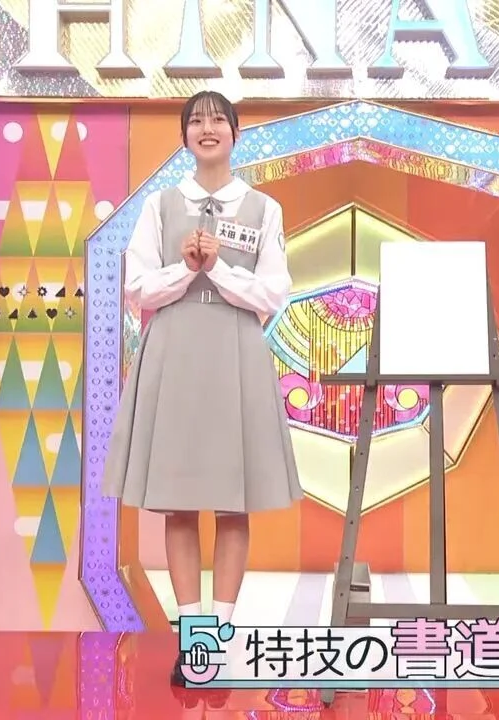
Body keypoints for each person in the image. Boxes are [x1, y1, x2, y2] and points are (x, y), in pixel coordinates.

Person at [102, 91, 303, 686]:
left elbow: (273, 293)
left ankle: (222, 636)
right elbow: (137, 287)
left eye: (218, 120)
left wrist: (217, 268)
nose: (207, 128)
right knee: (180, 500)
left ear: (236, 133)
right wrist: (186, 269)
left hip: (236, 351)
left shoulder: (263, 208)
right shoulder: (161, 204)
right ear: (185, 136)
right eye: (196, 121)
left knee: (233, 501)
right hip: (175, 351)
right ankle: (195, 643)